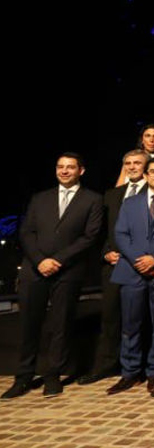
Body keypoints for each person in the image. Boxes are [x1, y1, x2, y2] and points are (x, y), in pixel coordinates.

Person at [2, 153, 102, 400]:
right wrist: (40, 260)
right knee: (29, 324)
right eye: (60, 167)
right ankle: (23, 377)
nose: (64, 171)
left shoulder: (93, 199)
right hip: (34, 269)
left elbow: (90, 237)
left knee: (61, 325)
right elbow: (26, 232)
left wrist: (58, 260)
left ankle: (52, 376)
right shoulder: (40, 198)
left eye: (70, 167)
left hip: (68, 271)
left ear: (81, 171)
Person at [79, 150, 148, 386]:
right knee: (110, 317)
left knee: (142, 319)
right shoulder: (112, 195)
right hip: (114, 264)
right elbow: (101, 231)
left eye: (137, 163)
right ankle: (106, 365)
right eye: (128, 163)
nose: (132, 167)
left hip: (142, 265)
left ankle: (141, 369)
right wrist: (105, 252)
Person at [106, 157, 154, 395]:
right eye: (152, 171)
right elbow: (120, 234)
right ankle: (130, 372)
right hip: (132, 271)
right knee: (130, 325)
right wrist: (140, 261)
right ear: (145, 176)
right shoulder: (130, 202)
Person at [116, 124, 154, 189]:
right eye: (148, 136)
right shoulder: (131, 158)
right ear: (142, 139)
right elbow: (119, 185)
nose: (151, 140)